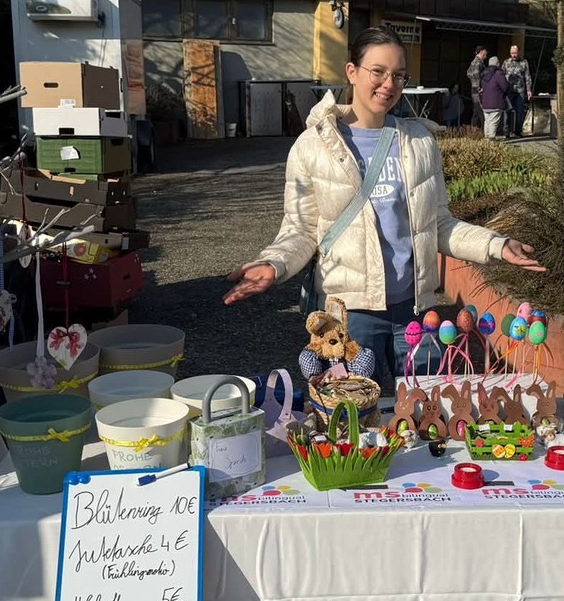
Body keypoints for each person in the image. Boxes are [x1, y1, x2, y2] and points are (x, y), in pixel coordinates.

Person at [224, 28, 546, 380]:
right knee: (355, 407)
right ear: (352, 72)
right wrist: (274, 264)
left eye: (398, 75)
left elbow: (438, 224)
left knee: (424, 406)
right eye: (377, 72)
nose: (388, 84)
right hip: (350, 316)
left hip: (415, 310)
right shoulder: (313, 146)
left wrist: (497, 244)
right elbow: (301, 230)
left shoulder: (418, 141)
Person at [503, 45, 532, 137]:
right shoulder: (506, 62)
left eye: (515, 53)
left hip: (520, 90)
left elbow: (527, 76)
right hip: (509, 90)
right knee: (507, 111)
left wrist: (528, 89)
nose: (514, 55)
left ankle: (518, 131)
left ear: (518, 52)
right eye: (512, 53)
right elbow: (501, 75)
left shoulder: (524, 62)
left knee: (520, 111)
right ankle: (506, 131)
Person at [480, 55, 509, 140]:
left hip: (485, 103)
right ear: (497, 64)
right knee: (493, 122)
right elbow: (505, 87)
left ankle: (486, 138)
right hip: (496, 101)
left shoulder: (484, 74)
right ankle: (491, 139)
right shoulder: (498, 74)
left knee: (487, 121)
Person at [466, 45, 488, 127]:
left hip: (474, 89)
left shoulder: (473, 62)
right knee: (481, 111)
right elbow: (476, 74)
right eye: (485, 51)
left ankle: (474, 130)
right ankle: (484, 129)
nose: (486, 53)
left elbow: (468, 73)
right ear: (482, 52)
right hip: (478, 91)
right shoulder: (478, 62)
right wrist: (480, 86)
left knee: (476, 111)